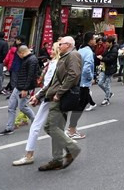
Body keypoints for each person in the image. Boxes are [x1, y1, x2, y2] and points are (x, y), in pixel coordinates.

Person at [29, 36, 82, 171]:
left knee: (50, 127)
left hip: (60, 98)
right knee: (56, 127)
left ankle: (72, 148)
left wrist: (59, 93)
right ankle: (57, 159)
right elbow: (53, 82)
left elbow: (73, 75)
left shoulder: (73, 55)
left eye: (61, 44)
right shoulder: (63, 58)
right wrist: (39, 95)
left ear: (69, 45)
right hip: (55, 96)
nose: (58, 46)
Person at [13, 38, 61, 166]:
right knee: (52, 127)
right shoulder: (54, 63)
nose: (50, 51)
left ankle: (29, 155)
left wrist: (39, 96)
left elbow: (50, 84)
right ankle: (64, 152)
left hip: (50, 97)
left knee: (38, 126)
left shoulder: (55, 64)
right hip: (51, 97)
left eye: (53, 48)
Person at [0, 45, 39, 136]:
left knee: (22, 107)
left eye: (18, 55)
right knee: (11, 107)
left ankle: (35, 122)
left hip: (24, 88)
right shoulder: (27, 59)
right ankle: (9, 128)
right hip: (18, 86)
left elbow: (31, 76)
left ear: (21, 53)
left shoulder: (32, 60)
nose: (18, 57)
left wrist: (25, 89)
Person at [67, 32, 97, 140]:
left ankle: (72, 128)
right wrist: (90, 78)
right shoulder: (88, 52)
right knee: (80, 105)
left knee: (80, 104)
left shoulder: (80, 50)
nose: (95, 41)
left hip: (77, 81)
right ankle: (72, 129)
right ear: (90, 40)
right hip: (83, 82)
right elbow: (87, 68)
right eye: (94, 39)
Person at [98, 35, 118, 105]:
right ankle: (109, 93)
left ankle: (106, 99)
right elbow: (104, 55)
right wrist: (101, 56)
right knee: (100, 82)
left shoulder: (114, 50)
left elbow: (111, 59)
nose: (105, 44)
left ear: (111, 43)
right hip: (104, 68)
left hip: (110, 68)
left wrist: (102, 58)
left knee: (107, 84)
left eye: (107, 42)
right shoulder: (108, 48)